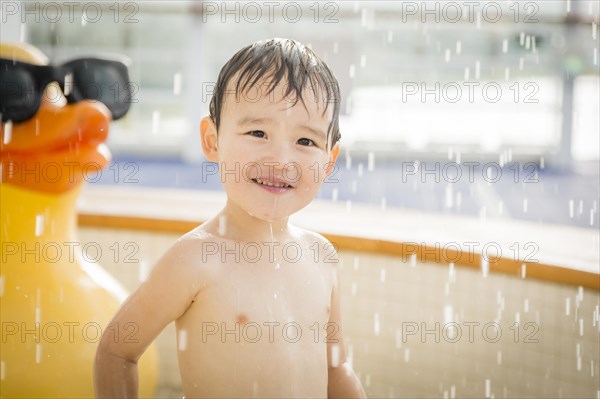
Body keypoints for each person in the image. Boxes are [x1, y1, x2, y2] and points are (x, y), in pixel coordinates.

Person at [94, 38, 366, 399]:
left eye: (305, 141)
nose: (281, 160)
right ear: (212, 140)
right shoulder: (196, 259)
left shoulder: (321, 256)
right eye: (258, 133)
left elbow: (336, 367)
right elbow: (117, 352)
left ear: (329, 162)